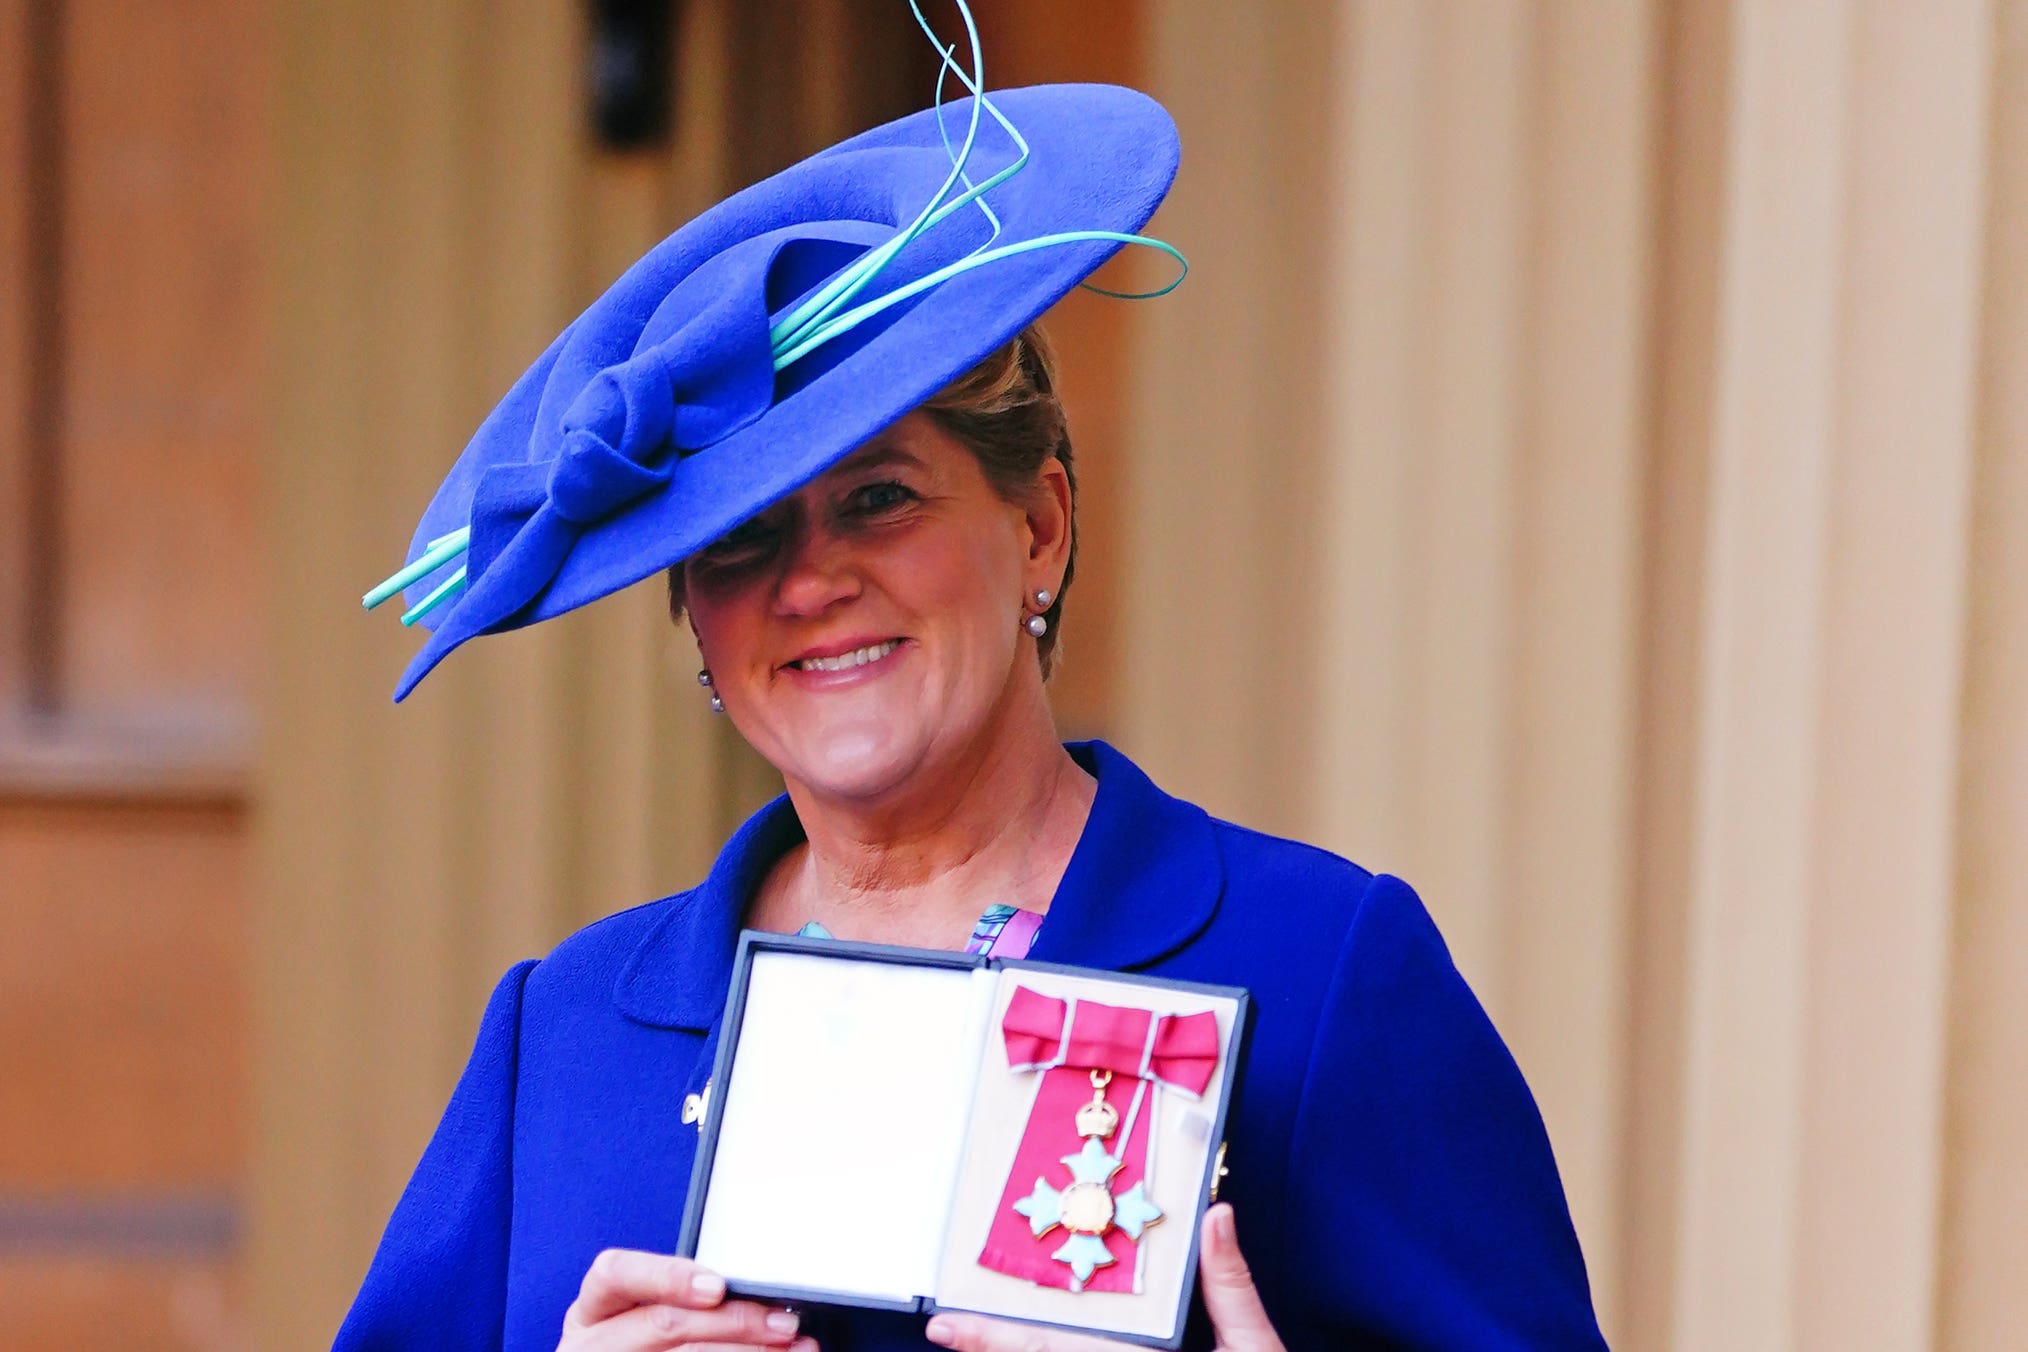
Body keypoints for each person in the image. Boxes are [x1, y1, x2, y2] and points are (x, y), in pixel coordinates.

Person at [338, 13, 1608, 1351]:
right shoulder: (568, 1033)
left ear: (1040, 528)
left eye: (879, 501)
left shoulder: (1324, 969)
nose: (810, 580)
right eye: (743, 538)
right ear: (695, 621)